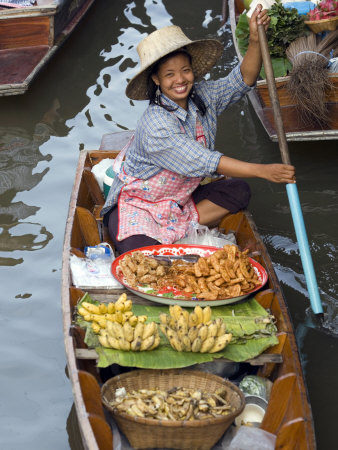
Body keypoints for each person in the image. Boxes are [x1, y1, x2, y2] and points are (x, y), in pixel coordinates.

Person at [101, 5, 296, 254]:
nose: (180, 80)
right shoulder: (155, 124)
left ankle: (176, 231)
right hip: (141, 205)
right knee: (141, 252)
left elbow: (243, 79)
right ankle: (174, 235)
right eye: (169, 74)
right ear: (156, 80)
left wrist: (256, 41)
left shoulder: (203, 95)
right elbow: (205, 160)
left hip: (179, 199)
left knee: (238, 190)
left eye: (185, 70)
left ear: (193, 70)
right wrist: (264, 171)